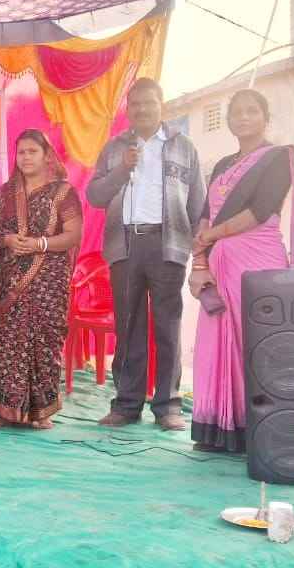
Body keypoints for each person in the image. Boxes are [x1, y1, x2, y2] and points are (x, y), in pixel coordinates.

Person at [190, 89, 294, 452]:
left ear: (265, 117)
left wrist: (211, 235)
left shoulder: (277, 159)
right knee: (216, 340)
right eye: (237, 112)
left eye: (252, 111)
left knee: (256, 341)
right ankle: (219, 429)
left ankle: (261, 429)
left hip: (257, 261)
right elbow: (206, 213)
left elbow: (260, 210)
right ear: (228, 121)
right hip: (219, 262)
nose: (243, 117)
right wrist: (200, 262)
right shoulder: (223, 165)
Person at [86, 77, 205, 431]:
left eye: (148, 102)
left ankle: (168, 406)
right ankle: (126, 404)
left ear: (161, 105)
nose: (141, 109)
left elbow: (198, 203)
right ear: (128, 110)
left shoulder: (184, 147)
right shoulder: (114, 148)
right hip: (125, 245)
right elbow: (95, 196)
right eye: (135, 104)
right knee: (128, 327)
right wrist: (122, 168)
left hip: (168, 244)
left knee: (167, 326)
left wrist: (200, 253)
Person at [0, 130, 82, 429]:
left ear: (46, 155)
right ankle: (7, 411)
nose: (25, 157)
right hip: (12, 278)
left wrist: (40, 244)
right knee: (10, 341)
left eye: (32, 151)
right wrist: (8, 240)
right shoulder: (5, 194)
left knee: (44, 340)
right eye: (21, 152)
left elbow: (73, 235)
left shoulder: (63, 192)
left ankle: (41, 412)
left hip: (49, 279)